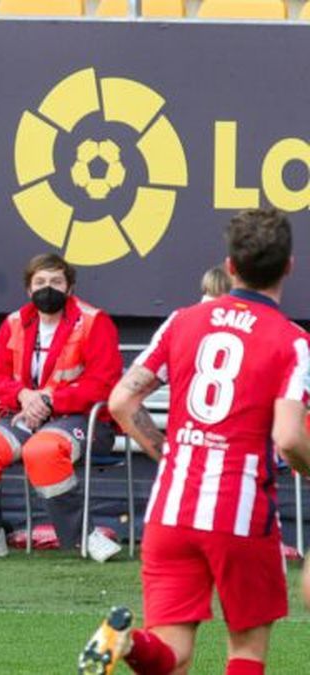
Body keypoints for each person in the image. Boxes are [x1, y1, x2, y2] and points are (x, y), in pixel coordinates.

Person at [81, 208, 310, 675]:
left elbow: (122, 400)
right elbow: (288, 437)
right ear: (289, 265)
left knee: (171, 653)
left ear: (230, 266)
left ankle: (126, 644)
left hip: (172, 508)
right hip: (240, 512)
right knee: (245, 650)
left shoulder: (183, 321)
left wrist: (171, 455)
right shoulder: (292, 341)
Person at [0, 253, 123, 560]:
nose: (47, 288)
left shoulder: (94, 321)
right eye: (40, 282)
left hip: (82, 420)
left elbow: (103, 383)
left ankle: (84, 537)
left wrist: (51, 400)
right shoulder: (14, 322)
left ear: (70, 288)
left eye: (55, 281)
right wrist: (24, 396)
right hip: (23, 415)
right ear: (28, 289)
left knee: (42, 451)